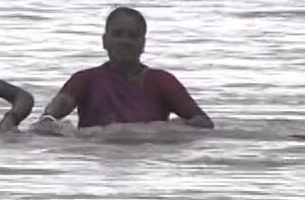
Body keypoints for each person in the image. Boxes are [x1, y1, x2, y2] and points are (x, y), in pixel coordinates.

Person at [37, 7, 213, 130]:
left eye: (133, 36)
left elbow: (203, 123)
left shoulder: (161, 81)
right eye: (118, 34)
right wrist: (48, 121)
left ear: (142, 43)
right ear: (105, 41)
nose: (124, 42)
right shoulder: (86, 80)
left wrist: (162, 130)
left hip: (147, 157)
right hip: (94, 156)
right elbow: (52, 114)